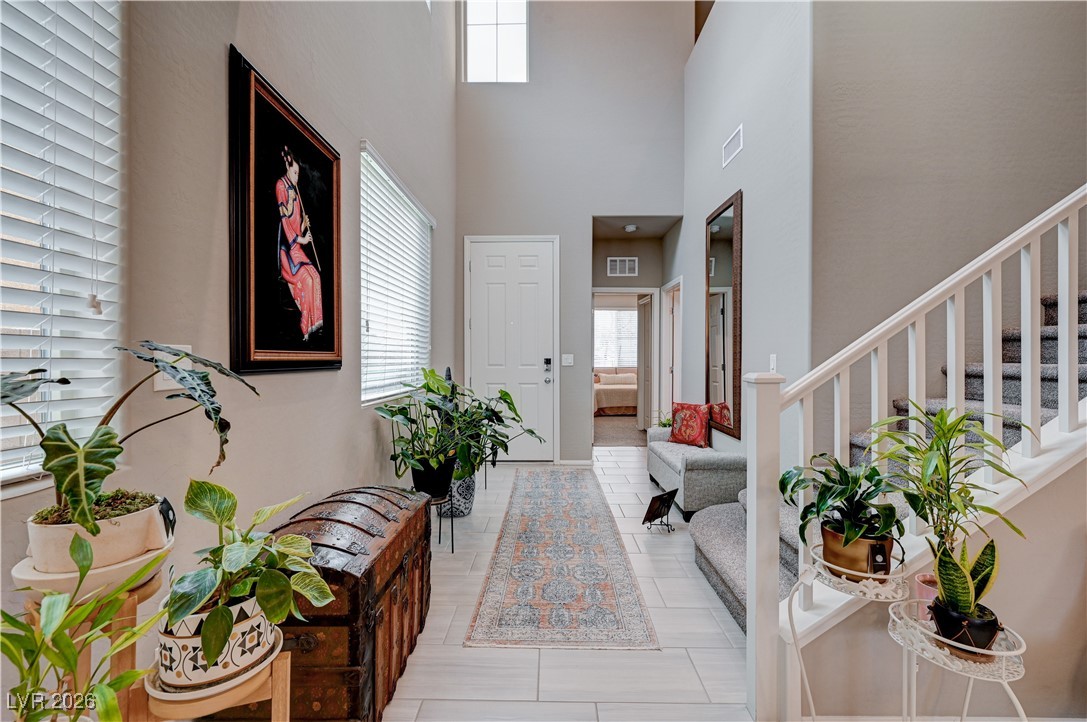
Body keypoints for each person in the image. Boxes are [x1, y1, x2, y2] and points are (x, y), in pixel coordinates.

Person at [276, 146, 323, 341]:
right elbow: (285, 222)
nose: (297, 177)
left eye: (298, 174)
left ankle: (316, 323)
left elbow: (296, 224)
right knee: (308, 280)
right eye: (295, 172)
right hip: (288, 249)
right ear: (288, 167)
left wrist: (303, 226)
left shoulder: (294, 190)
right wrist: (300, 239)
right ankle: (305, 322)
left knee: (317, 277)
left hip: (297, 247)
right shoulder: (281, 186)